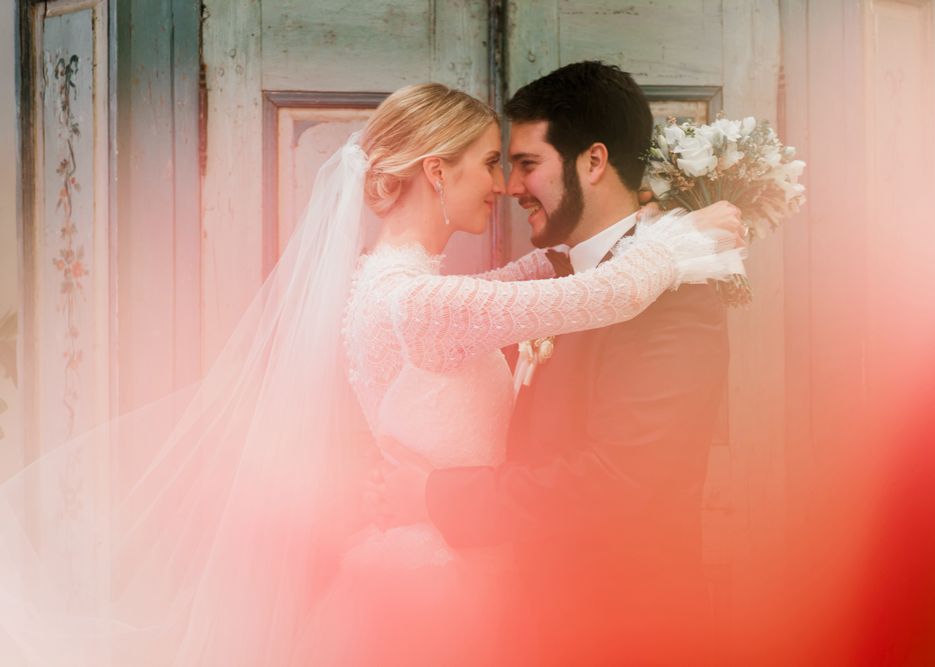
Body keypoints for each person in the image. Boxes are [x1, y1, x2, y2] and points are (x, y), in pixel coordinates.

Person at [0, 79, 742, 665]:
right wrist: (683, 237)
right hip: (440, 581)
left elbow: (533, 277)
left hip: (444, 563)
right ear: (435, 171)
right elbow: (603, 293)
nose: (502, 186)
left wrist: (638, 220)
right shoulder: (421, 302)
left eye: (514, 165)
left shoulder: (390, 282)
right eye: (491, 163)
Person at [377, 62, 736, 664]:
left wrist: (437, 496)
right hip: (534, 625)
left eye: (526, 163)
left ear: (592, 162)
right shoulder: (569, 277)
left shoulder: (675, 295)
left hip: (624, 633)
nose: (510, 186)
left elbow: (623, 480)